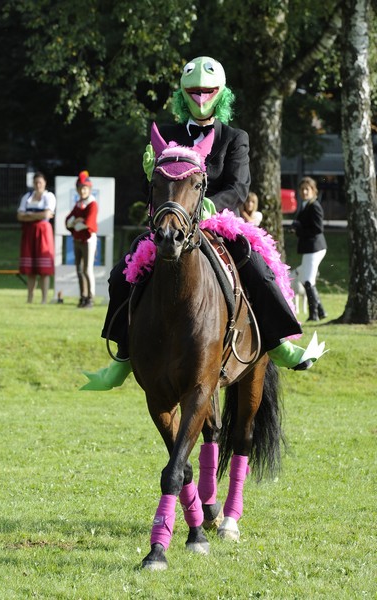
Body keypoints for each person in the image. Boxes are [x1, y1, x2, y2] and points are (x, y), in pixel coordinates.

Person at [82, 56, 326, 391]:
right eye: (193, 91)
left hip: (219, 223)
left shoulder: (234, 137)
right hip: (173, 222)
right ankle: (123, 356)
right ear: (183, 94)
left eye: (206, 91)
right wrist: (149, 173)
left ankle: (278, 342)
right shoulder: (164, 134)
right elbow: (152, 189)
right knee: (120, 273)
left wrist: (210, 206)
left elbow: (239, 185)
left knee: (256, 264)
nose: (200, 97)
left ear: (220, 93)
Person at [291, 176, 327, 321]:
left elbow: (318, 229)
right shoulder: (306, 205)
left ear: (313, 191)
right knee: (304, 277)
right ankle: (321, 311)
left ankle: (314, 315)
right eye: (303, 189)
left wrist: (299, 229)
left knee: (307, 280)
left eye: (308, 189)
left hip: (315, 247)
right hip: (310, 248)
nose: (305, 192)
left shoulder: (314, 206)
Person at [17, 172, 56, 304]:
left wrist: (29, 215)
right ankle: (30, 298)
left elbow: (47, 214)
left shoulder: (49, 196)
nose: (38, 185)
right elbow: (19, 216)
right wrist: (39, 215)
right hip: (29, 233)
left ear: (44, 183)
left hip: (43, 233)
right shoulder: (27, 197)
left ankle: (44, 299)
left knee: (43, 269)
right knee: (31, 269)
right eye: (36, 182)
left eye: (40, 182)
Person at [65, 171, 98, 308]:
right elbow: (68, 221)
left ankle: (90, 297)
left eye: (85, 188)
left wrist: (77, 222)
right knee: (79, 270)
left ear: (89, 189)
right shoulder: (79, 204)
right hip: (77, 240)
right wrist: (76, 221)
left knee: (87, 269)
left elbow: (88, 223)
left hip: (88, 240)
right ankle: (82, 296)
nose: (82, 191)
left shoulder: (92, 204)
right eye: (80, 188)